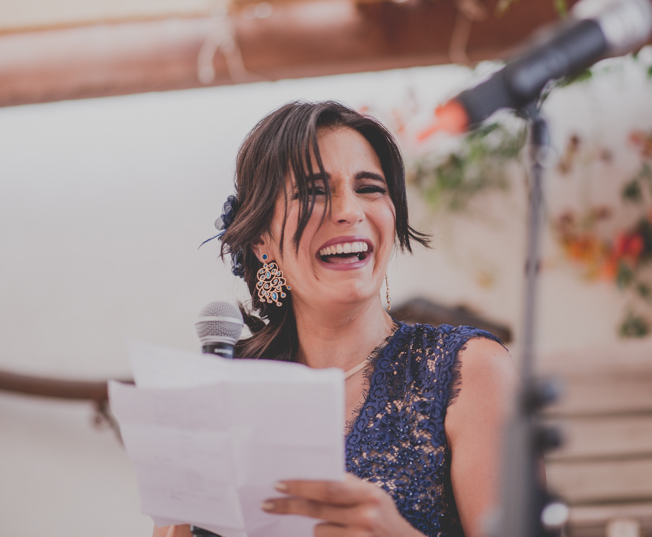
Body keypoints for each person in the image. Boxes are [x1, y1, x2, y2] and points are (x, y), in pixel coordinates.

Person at [155, 101, 517, 537]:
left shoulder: (468, 369)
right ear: (262, 241)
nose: (349, 211)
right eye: (313, 191)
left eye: (369, 188)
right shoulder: (213, 391)